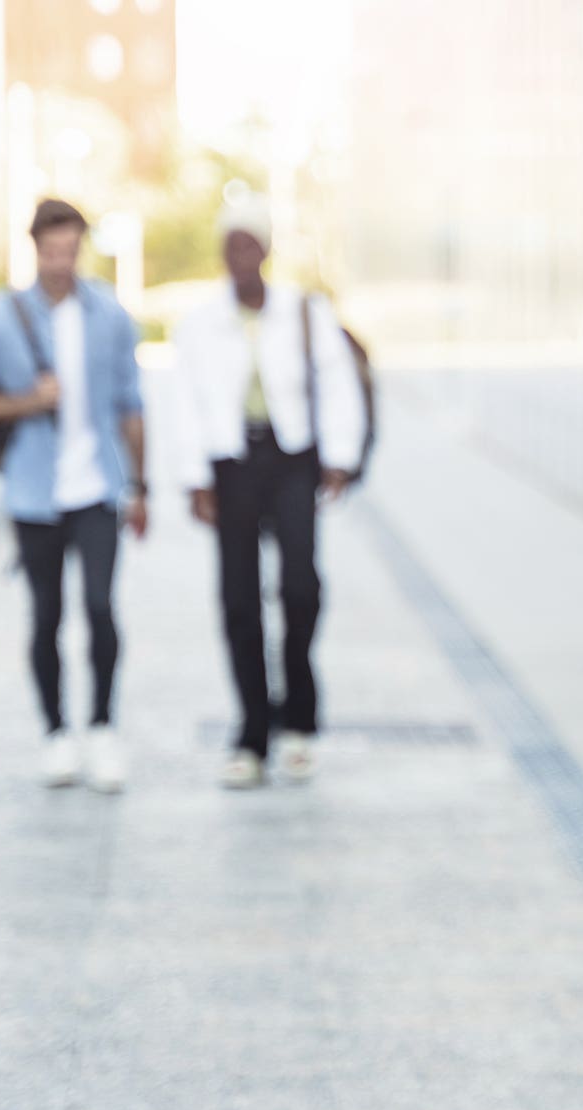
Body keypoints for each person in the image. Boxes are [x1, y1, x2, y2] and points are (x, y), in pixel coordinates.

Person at [0, 198, 148, 792]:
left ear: (81, 248)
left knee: (101, 607)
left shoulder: (109, 316)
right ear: (35, 248)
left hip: (99, 487)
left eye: (70, 250)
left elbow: (132, 406)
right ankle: (56, 733)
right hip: (34, 490)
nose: (61, 262)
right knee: (47, 615)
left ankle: (104, 728)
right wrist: (28, 404)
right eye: (51, 250)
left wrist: (141, 485)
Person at [173, 196, 370, 789]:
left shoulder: (303, 311)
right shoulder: (200, 322)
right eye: (230, 245)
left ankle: (300, 720)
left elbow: (338, 386)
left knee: (299, 587)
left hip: (292, 459)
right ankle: (252, 732)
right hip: (232, 463)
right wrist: (194, 479)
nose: (240, 255)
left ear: (264, 251)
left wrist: (338, 458)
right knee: (238, 600)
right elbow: (185, 402)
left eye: (249, 244)